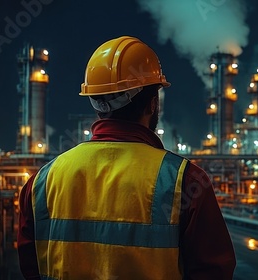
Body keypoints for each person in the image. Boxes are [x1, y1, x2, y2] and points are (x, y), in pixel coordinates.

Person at [17, 36, 236, 280]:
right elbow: (214, 271)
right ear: (153, 104)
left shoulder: (42, 182)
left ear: (95, 102)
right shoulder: (184, 180)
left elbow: (30, 264)